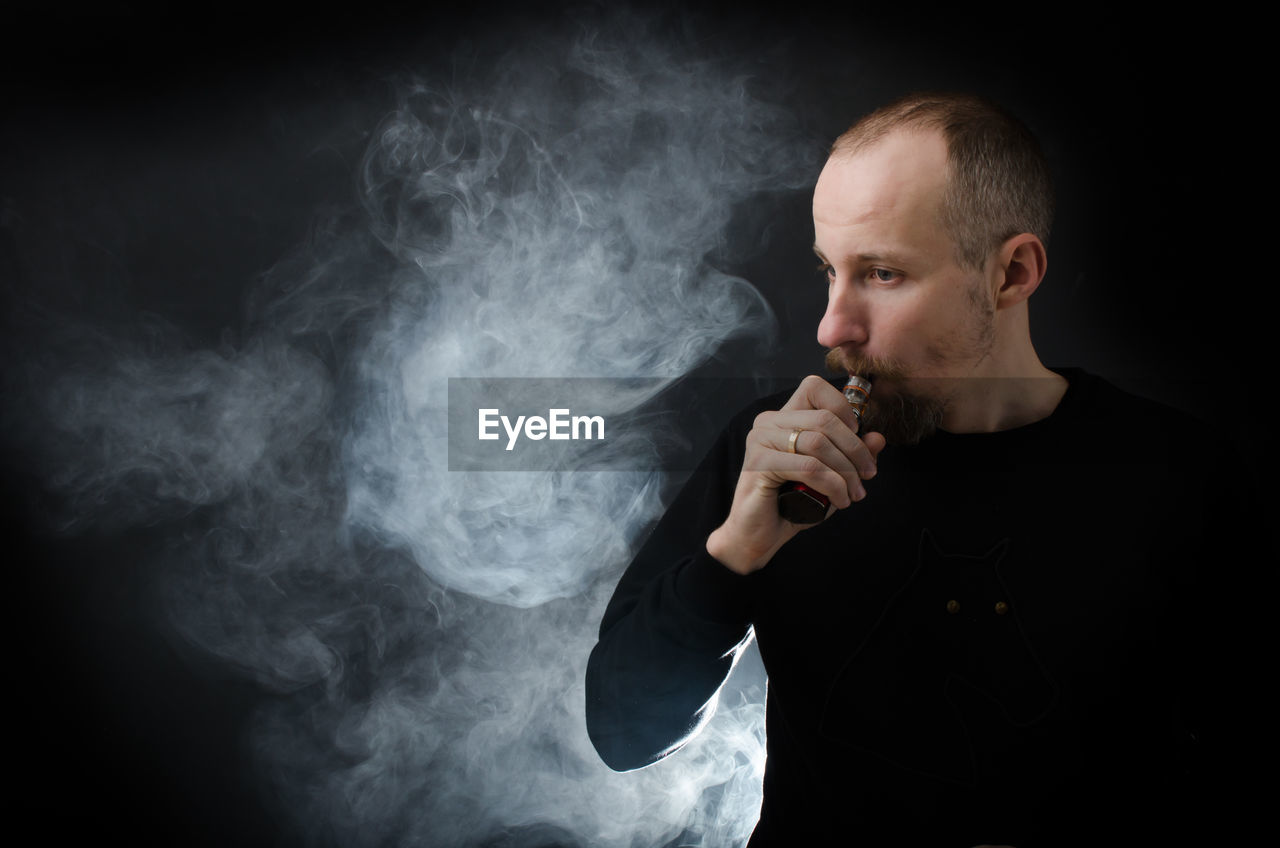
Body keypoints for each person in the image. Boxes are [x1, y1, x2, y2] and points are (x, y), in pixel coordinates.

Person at [585, 93, 1255, 846]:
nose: (832, 326)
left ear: (1012, 273)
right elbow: (622, 733)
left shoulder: (1178, 474)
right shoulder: (774, 451)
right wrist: (734, 553)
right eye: (829, 271)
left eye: (881, 274)